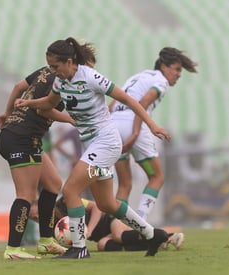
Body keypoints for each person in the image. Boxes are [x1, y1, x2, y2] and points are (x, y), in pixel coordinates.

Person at [15, 37, 172, 259]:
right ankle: (152, 234)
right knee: (107, 204)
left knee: (70, 190)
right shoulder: (60, 82)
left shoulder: (91, 77)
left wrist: (152, 124)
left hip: (106, 143)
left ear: (70, 61)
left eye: (55, 66)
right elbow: (49, 104)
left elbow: (127, 99)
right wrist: (28, 102)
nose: (52, 71)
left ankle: (79, 248)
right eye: (50, 66)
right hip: (93, 146)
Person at [0, 64, 78, 259]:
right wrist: (71, 120)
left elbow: (18, 87)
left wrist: (7, 114)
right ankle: (13, 249)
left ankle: (46, 241)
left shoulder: (45, 71)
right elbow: (43, 111)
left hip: (24, 137)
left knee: (53, 184)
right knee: (26, 194)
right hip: (20, 138)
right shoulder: (63, 80)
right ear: (73, 62)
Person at [109, 47, 197, 220]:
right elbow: (143, 102)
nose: (179, 74)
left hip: (114, 125)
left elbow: (112, 104)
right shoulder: (160, 81)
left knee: (125, 184)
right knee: (157, 176)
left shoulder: (137, 77)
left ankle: (116, 227)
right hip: (132, 124)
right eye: (177, 69)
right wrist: (134, 133)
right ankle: (141, 223)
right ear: (164, 66)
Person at [54, 197, 184, 252]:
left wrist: (90, 230)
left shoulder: (66, 200)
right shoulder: (52, 227)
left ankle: (168, 236)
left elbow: (96, 207)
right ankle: (156, 243)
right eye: (33, 218)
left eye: (34, 213)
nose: (35, 217)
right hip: (102, 237)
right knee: (102, 245)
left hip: (110, 220)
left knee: (117, 235)